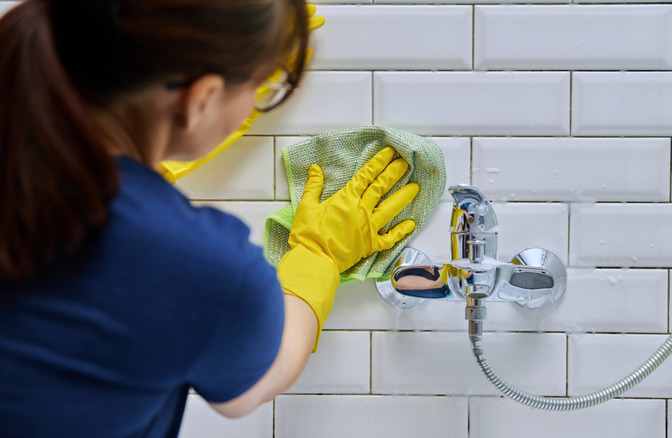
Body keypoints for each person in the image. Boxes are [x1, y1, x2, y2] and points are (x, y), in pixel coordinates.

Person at [0, 1, 419, 437]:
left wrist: (149, 162)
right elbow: (262, 374)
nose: (258, 101)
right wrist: (319, 253)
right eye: (261, 88)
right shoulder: (195, 264)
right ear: (200, 99)